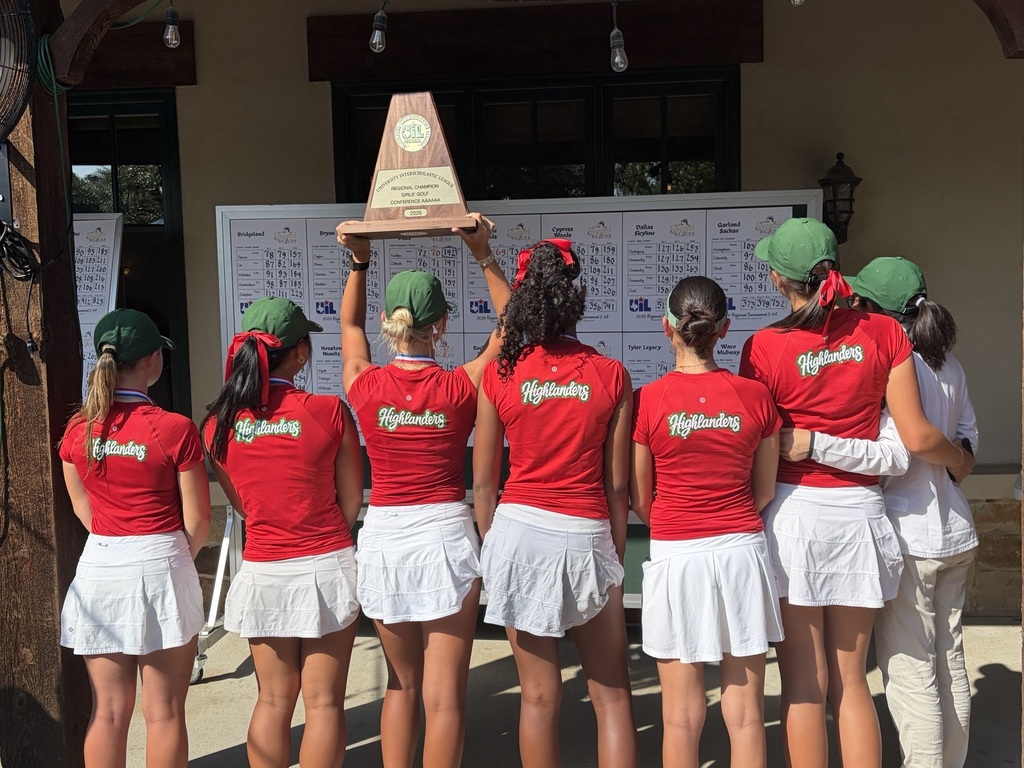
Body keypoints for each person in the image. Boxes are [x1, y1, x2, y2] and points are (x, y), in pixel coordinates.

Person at [738, 219, 974, 768]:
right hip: (862, 516)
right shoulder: (884, 333)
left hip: (793, 515)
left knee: (803, 680)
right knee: (851, 680)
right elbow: (909, 437)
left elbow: (762, 449)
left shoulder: (763, 347)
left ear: (778, 279)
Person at [336, 213, 510, 768]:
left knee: (400, 686)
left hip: (384, 536)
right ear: (442, 325)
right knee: (444, 697)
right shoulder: (463, 383)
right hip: (445, 536)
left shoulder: (364, 382)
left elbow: (348, 330)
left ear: (389, 320)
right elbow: (513, 325)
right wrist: (482, 254)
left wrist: (359, 262)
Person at [473, 238, 638, 768]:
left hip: (517, 532)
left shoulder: (501, 373)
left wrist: (491, 548)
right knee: (611, 696)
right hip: (586, 530)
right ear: (576, 297)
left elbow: (483, 485)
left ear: (523, 299)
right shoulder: (611, 374)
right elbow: (617, 487)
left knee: (539, 698)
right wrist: (614, 556)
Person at [202, 297, 363, 768]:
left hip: (264, 570)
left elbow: (242, 506)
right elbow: (351, 501)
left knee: (272, 701)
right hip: (327, 566)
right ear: (301, 353)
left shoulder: (219, 423)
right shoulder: (329, 411)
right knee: (325, 703)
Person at [631, 276, 783, 768]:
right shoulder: (755, 396)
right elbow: (764, 490)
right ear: (725, 330)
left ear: (666, 328)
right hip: (742, 550)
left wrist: (680, 520)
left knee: (678, 717)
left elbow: (640, 498)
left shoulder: (648, 400)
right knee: (746, 715)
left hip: (676, 552)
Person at [60, 308, 210, 768]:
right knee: (163, 712)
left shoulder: (77, 429)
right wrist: (166, 554)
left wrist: (118, 540)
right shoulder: (174, 428)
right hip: (162, 558)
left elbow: (82, 507)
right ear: (150, 362)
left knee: (106, 712)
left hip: (101, 563)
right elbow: (199, 520)